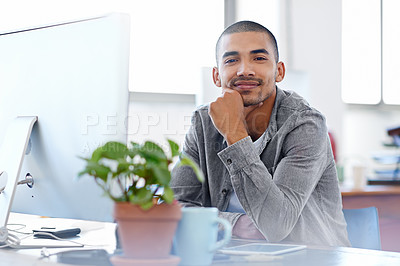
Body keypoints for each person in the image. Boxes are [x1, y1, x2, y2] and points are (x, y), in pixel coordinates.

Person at [171, 20, 350, 246]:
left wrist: (234, 133)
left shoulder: (305, 124)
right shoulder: (203, 123)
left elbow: (276, 224)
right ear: (216, 76)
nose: (245, 70)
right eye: (232, 60)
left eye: (259, 58)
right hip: (229, 256)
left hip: (310, 259)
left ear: (279, 71)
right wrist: (232, 223)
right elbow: (174, 206)